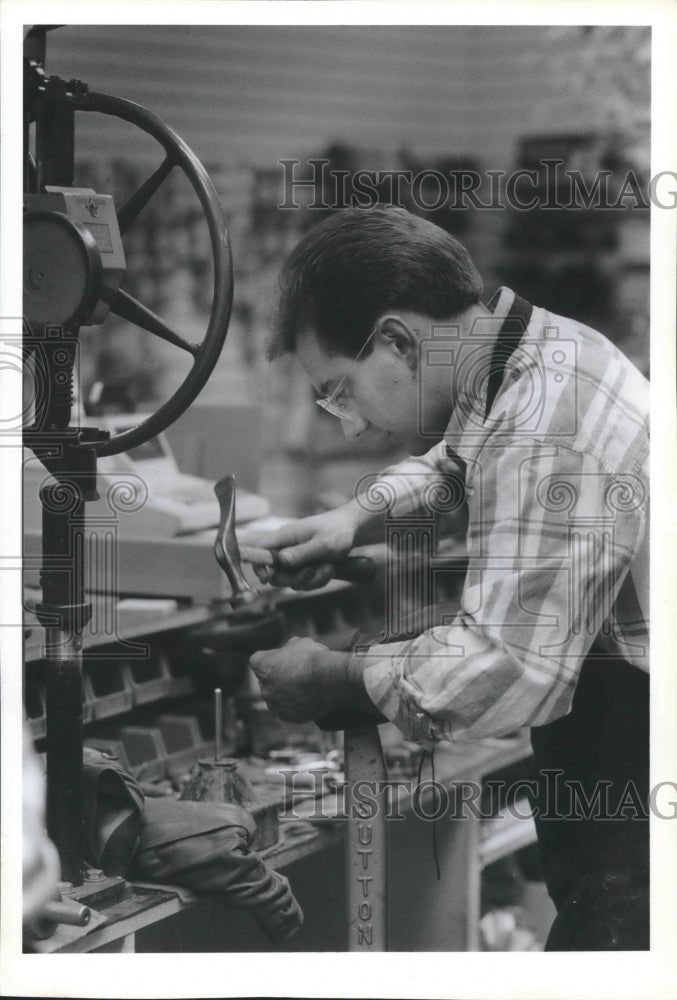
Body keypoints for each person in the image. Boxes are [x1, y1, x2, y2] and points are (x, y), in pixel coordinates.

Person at [244, 207, 649, 950]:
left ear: (396, 339)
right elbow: (461, 457)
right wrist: (351, 520)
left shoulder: (544, 427)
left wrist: (336, 677)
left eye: (339, 391)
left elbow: (504, 663)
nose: (351, 426)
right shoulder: (528, 353)